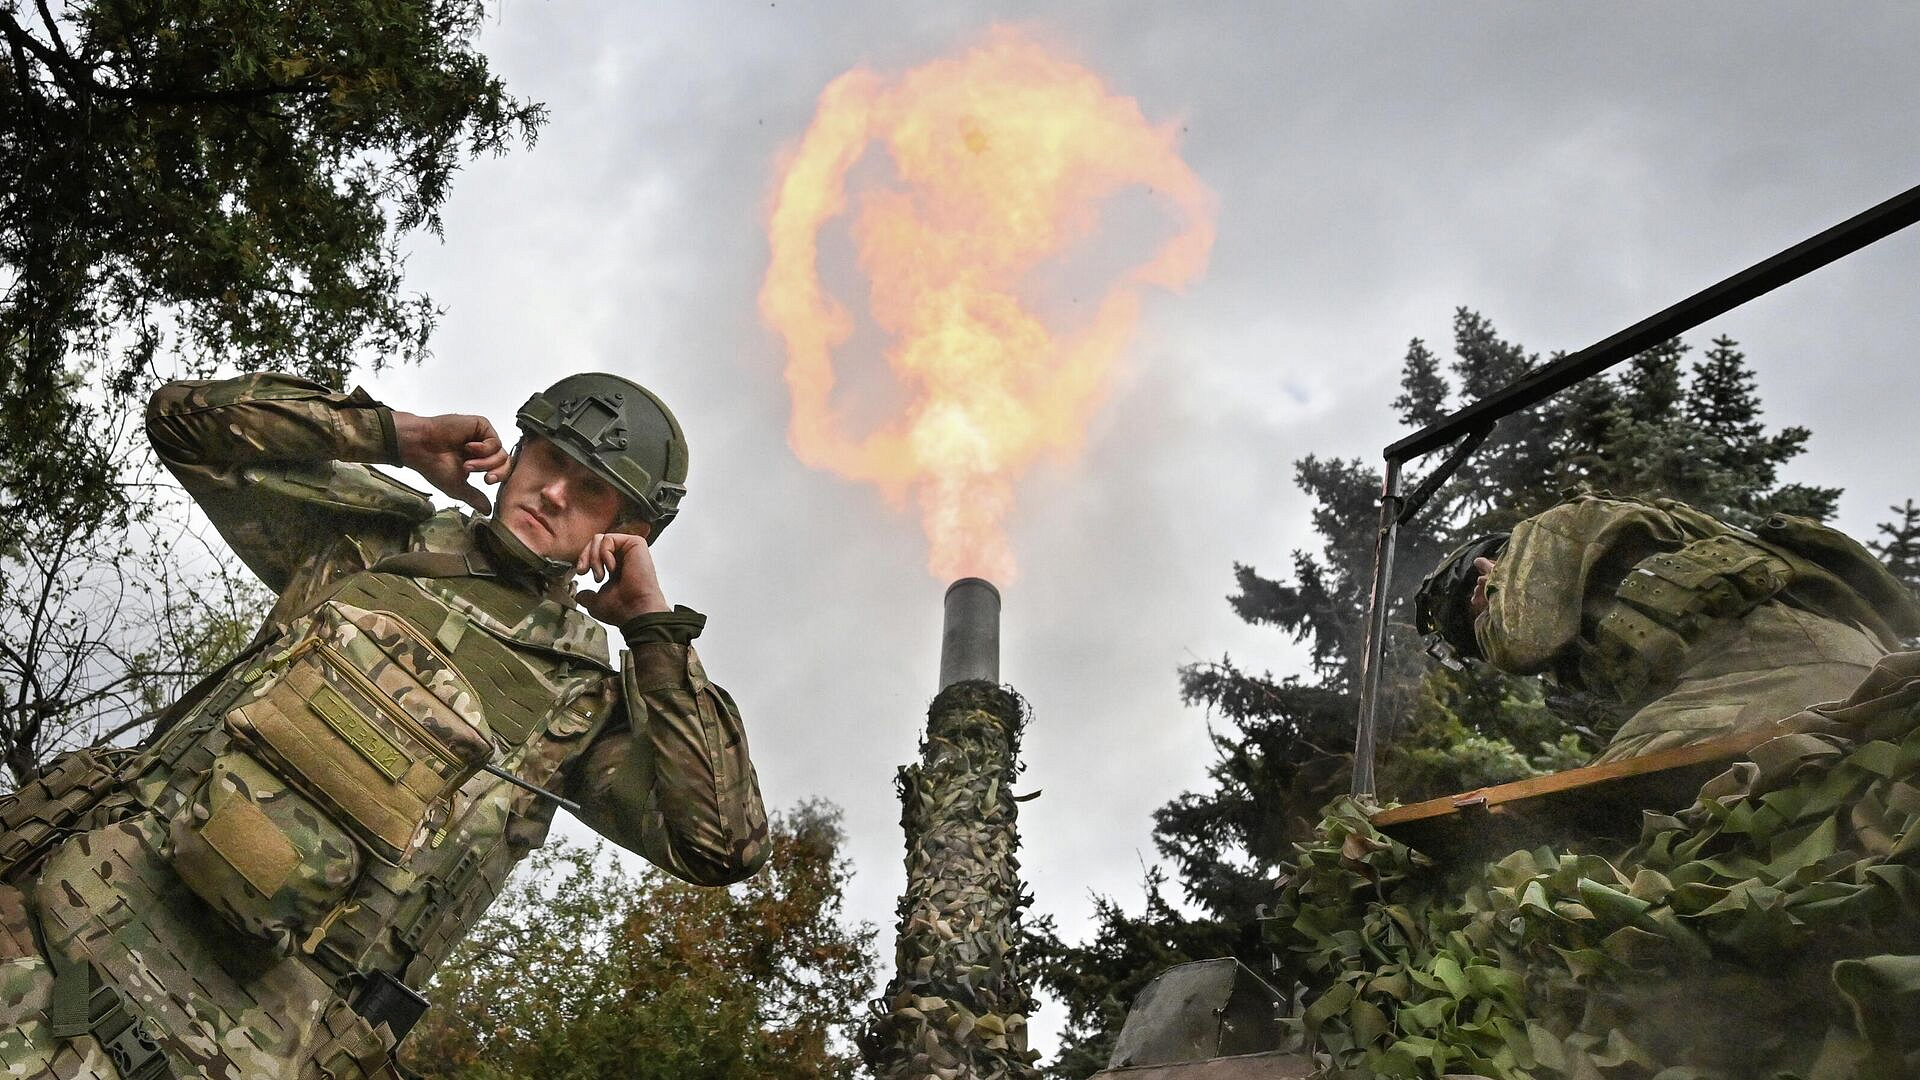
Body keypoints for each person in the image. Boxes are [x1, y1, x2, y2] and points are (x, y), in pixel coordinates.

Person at [0, 371, 769, 1078]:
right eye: (548, 459)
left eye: (592, 491)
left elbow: (721, 845)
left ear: (628, 528)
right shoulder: (381, 538)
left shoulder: (585, 705)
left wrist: (654, 632)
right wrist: (397, 435)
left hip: (237, 1050)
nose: (556, 492)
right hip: (49, 932)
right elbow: (183, 424)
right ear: (517, 450)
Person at [1414, 490, 1920, 764]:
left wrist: (1495, 600)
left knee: (1614, 791)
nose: (1485, 637)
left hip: (1780, 671)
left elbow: (1521, 642)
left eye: (1477, 620)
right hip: (1848, 662)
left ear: (1482, 575)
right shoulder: (1587, 613)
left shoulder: (1545, 533)